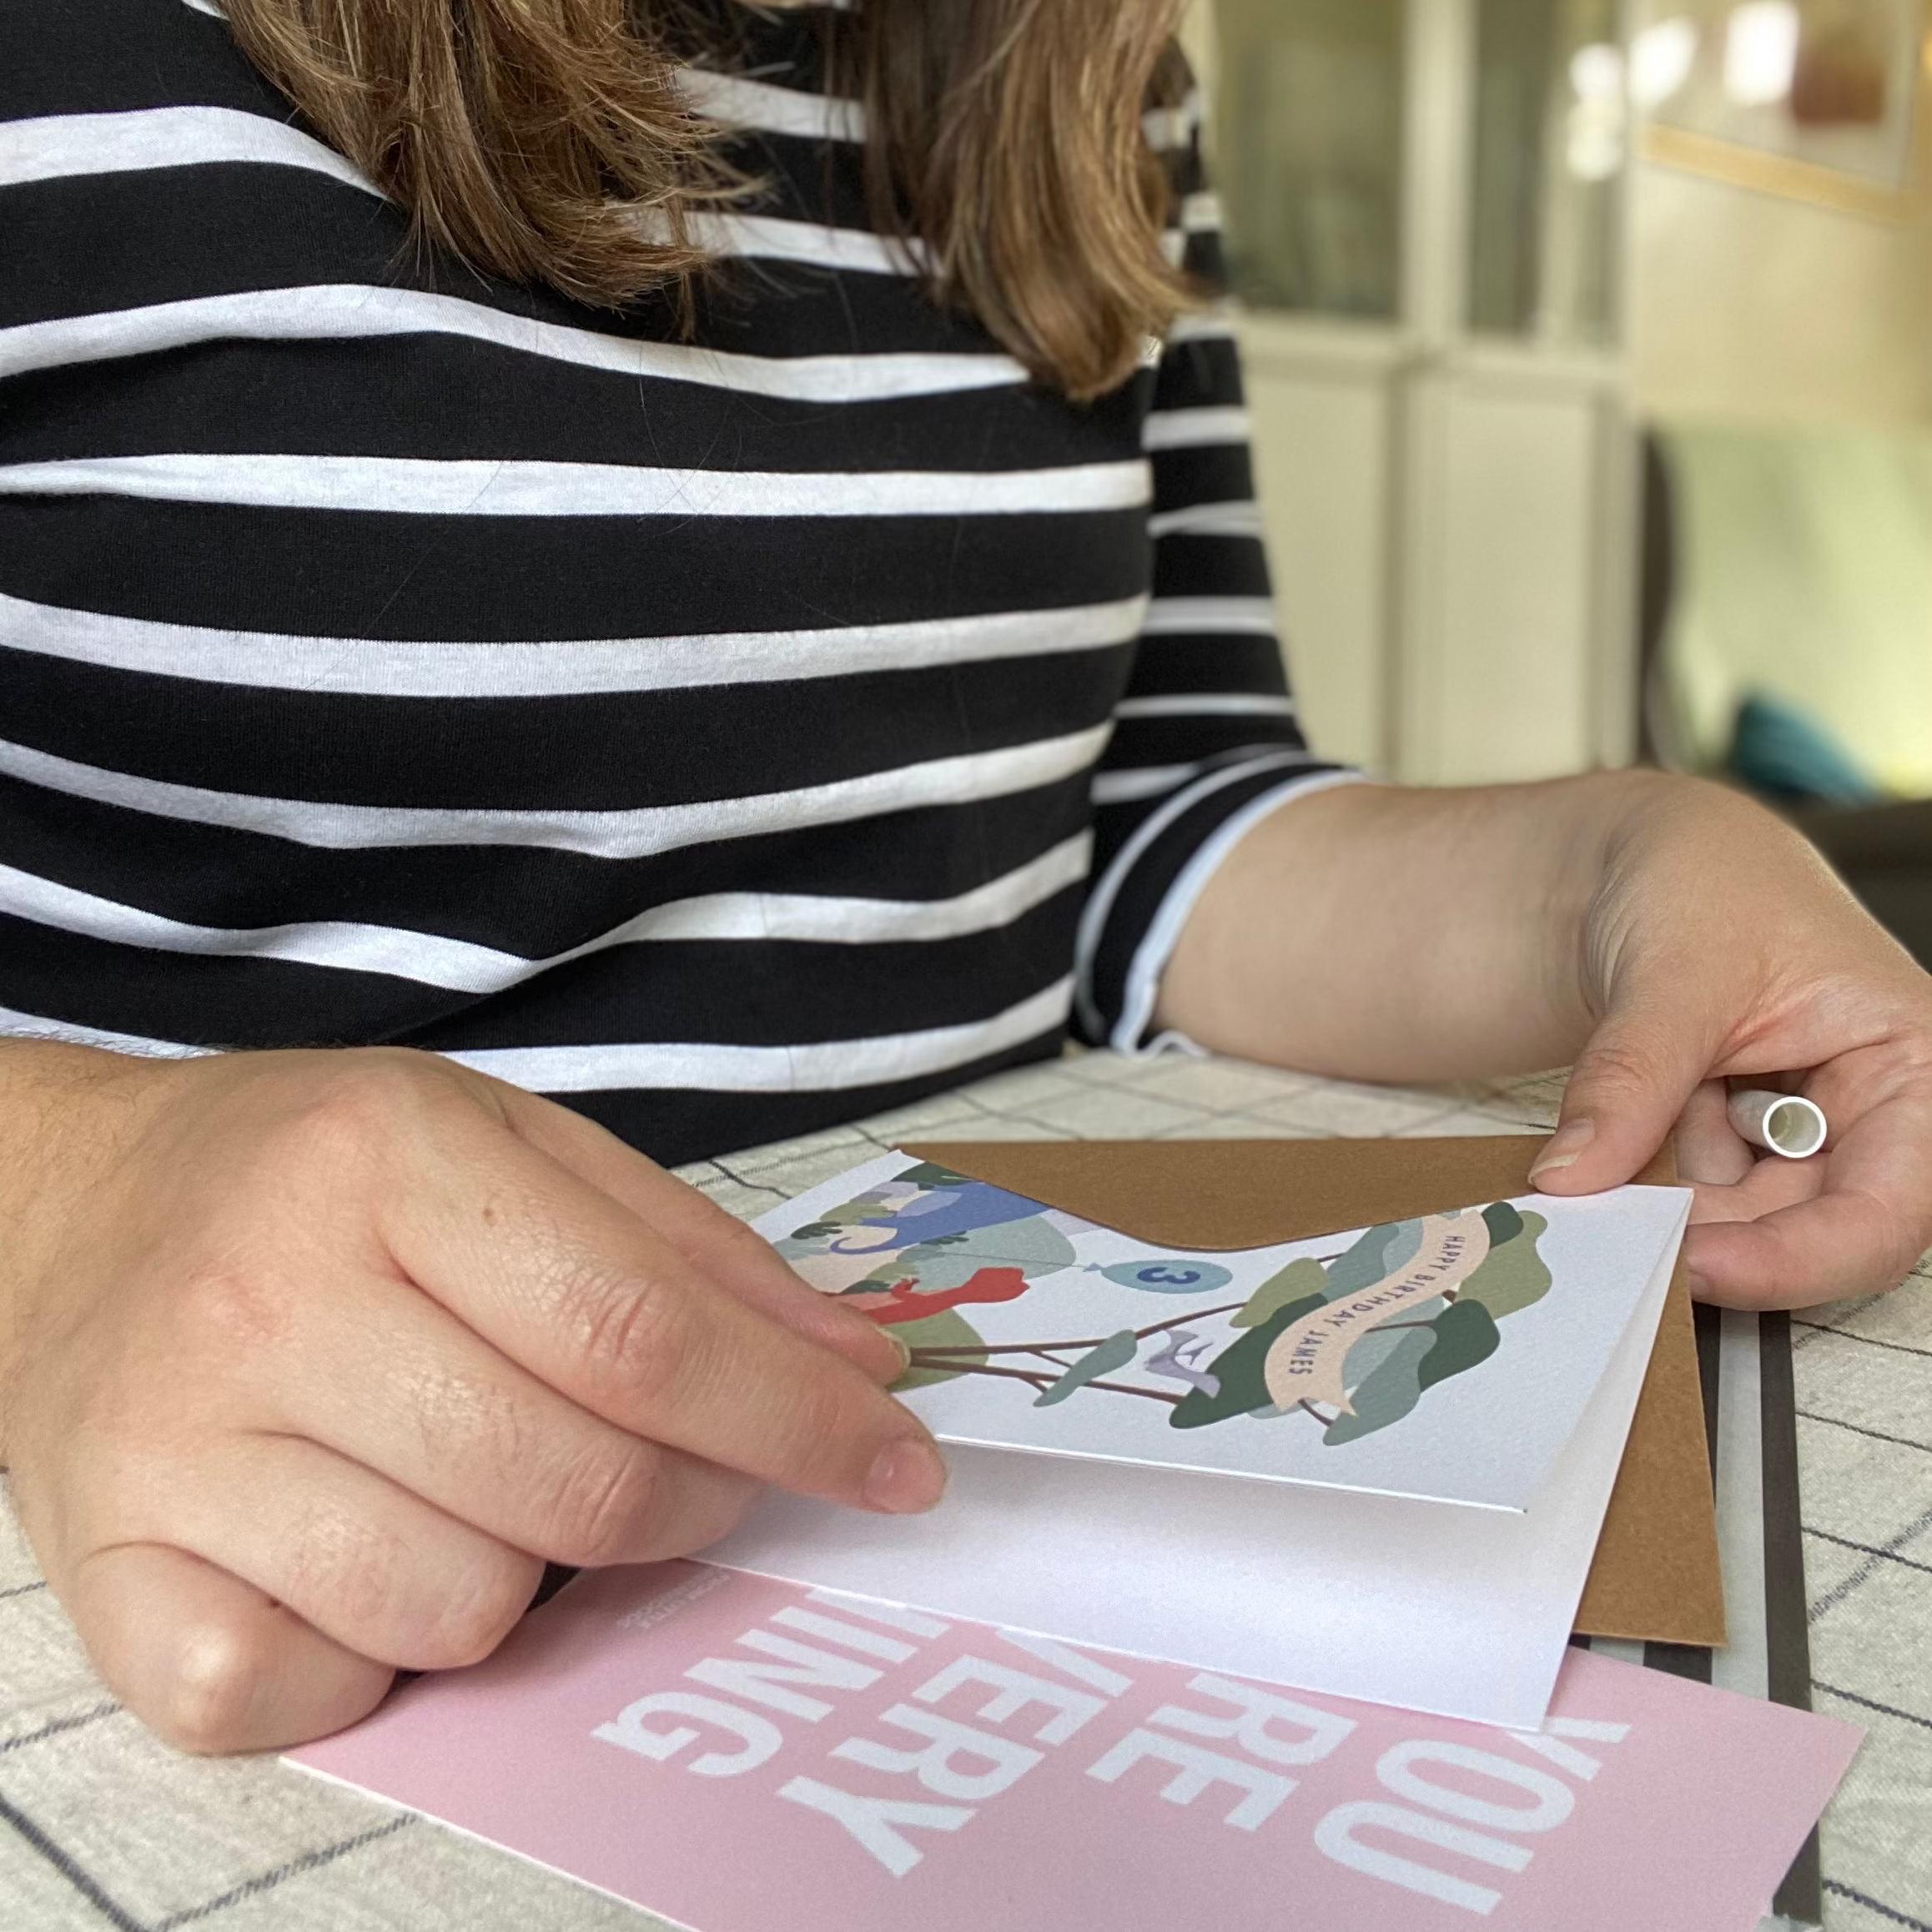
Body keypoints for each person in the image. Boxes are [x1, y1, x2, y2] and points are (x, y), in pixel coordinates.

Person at [1, 0, 1927, 1759]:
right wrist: (66, 1195)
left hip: (956, 1482)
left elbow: (1152, 830)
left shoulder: (1096, 78)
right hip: (230, 1535)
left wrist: (1632, 869)